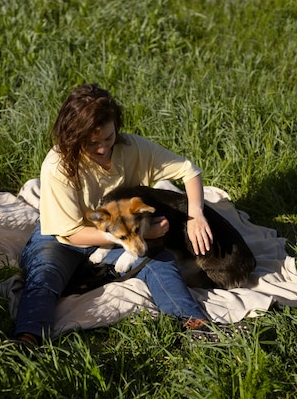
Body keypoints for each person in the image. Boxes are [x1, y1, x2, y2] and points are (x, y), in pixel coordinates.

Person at [12, 83, 214, 347]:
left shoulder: (132, 148)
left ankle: (193, 323)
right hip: (64, 237)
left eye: (108, 138)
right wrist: (135, 237)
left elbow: (189, 171)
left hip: (118, 234)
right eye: (92, 143)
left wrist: (196, 214)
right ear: (73, 137)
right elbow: (71, 233)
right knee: (45, 273)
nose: (103, 149)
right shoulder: (57, 166)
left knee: (159, 262)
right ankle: (28, 337)